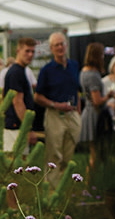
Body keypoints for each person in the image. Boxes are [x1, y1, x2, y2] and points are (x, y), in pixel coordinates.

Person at [34, 32, 81, 186]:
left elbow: (77, 90)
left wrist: (78, 112)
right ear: (51, 48)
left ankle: (65, 185)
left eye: (62, 44)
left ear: (66, 45)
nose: (60, 47)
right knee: (54, 153)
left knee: (69, 151)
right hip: (55, 114)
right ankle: (53, 189)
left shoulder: (74, 65)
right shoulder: (47, 70)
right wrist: (55, 104)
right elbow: (38, 97)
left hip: (72, 113)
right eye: (56, 45)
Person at [78, 42, 113, 176]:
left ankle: (92, 183)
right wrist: (109, 96)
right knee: (97, 154)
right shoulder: (92, 75)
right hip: (95, 115)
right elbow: (97, 101)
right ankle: (92, 182)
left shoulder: (83, 71)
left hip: (89, 111)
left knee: (95, 153)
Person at [3, 37, 38, 154]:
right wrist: (27, 129)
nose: (30, 55)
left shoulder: (22, 71)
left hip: (18, 126)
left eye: (32, 51)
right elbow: (17, 102)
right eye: (27, 51)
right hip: (15, 127)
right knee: (16, 164)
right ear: (18, 51)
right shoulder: (15, 72)